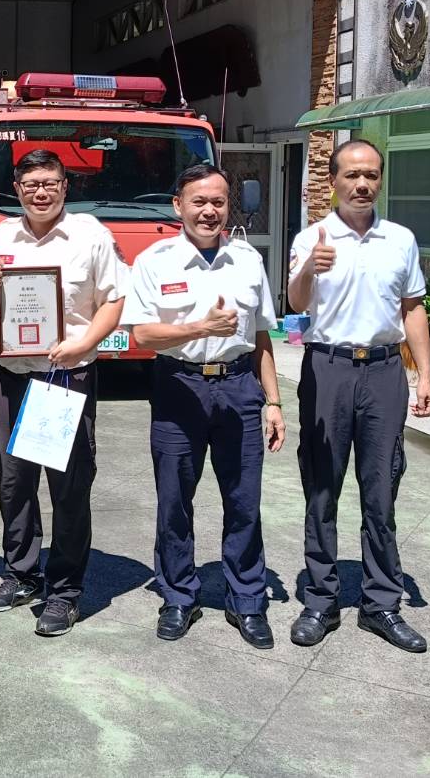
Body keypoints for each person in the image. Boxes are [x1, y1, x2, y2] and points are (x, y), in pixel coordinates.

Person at [122, 164, 286, 648]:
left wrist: (273, 401)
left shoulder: (247, 260)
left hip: (238, 388)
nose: (209, 211)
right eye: (199, 201)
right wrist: (199, 329)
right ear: (178, 206)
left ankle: (248, 600)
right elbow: (142, 334)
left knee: (244, 500)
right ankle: (178, 596)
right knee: (174, 500)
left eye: (218, 201)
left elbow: (260, 338)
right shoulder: (156, 260)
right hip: (179, 386)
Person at [0, 148, 127, 637]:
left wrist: (84, 341)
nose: (41, 191)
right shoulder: (0, 236)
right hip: (10, 378)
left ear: (64, 186)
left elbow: (114, 301)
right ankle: (21, 573)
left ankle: (64, 590)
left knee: (69, 488)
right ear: (18, 189)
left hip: (65, 378)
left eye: (50, 182)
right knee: (14, 483)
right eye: (31, 183)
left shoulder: (90, 235)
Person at [286, 139, 430, 654]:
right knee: (322, 487)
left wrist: (426, 378)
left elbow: (413, 309)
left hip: (384, 370)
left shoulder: (401, 239)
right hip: (327, 368)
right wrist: (311, 267)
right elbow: (296, 303)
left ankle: (381, 604)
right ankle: (321, 600)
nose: (362, 184)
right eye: (351, 175)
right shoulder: (312, 237)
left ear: (380, 179)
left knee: (381, 490)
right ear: (333, 181)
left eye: (371, 174)